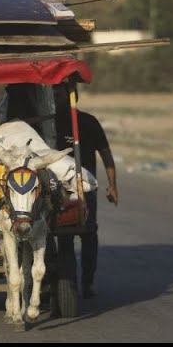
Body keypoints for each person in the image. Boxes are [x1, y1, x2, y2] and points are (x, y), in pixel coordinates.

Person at [53, 82, 119, 299]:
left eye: (60, 93)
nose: (56, 97)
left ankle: (87, 281)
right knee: (63, 235)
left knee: (89, 233)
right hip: (60, 188)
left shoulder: (88, 122)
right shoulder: (49, 122)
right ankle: (66, 281)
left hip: (85, 187)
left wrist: (112, 185)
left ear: (72, 96)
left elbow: (106, 154)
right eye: (53, 93)